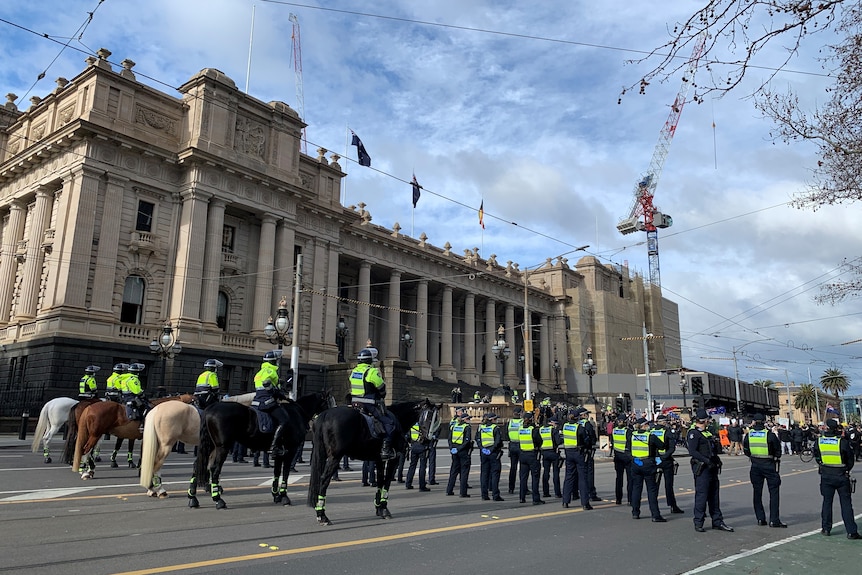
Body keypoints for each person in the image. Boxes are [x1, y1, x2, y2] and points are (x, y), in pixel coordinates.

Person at [687, 408, 734, 533]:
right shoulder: (693, 433)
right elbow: (693, 451)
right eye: (707, 420)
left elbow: (712, 449)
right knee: (702, 495)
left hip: (712, 467)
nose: (709, 422)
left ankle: (717, 521)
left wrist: (716, 460)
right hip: (702, 467)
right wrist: (706, 461)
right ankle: (699, 522)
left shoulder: (707, 433)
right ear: (704, 420)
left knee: (714, 495)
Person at [813, 418, 860, 539]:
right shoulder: (841, 442)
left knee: (827, 503)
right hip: (841, 474)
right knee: (846, 504)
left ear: (826, 428)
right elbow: (850, 459)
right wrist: (845, 469)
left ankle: (826, 528)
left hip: (826, 474)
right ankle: (851, 531)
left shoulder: (819, 441)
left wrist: (823, 465)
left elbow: (817, 457)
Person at [349, 347, 396, 460]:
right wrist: (382, 393)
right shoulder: (371, 372)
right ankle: (385, 450)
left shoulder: (354, 372)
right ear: (370, 361)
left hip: (355, 403)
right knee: (389, 423)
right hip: (368, 404)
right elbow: (381, 387)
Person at [742, 413, 786, 527]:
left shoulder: (749, 435)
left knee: (757, 493)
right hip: (769, 465)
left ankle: (760, 518)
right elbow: (778, 451)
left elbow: (746, 451)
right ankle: (774, 520)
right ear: (764, 422)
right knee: (774, 493)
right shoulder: (769, 435)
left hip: (755, 465)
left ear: (754, 422)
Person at [250, 350, 291, 457]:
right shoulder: (270, 371)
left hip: (256, 400)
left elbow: (271, 383)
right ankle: (274, 447)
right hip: (267, 401)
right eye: (276, 360)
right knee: (284, 421)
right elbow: (267, 383)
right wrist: (274, 392)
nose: (277, 362)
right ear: (273, 361)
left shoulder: (260, 372)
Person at [630, 417, 666, 522]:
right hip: (648, 464)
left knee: (636, 488)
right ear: (645, 425)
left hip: (636, 463)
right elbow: (662, 446)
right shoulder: (650, 436)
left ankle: (635, 512)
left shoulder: (632, 435)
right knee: (651, 490)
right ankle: (655, 515)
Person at [652, 414, 684, 515]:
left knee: (654, 486)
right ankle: (672, 506)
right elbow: (672, 448)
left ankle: (654, 507)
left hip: (655, 460)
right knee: (668, 485)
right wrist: (664, 457)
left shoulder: (651, 431)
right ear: (664, 422)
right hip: (665, 461)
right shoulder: (667, 431)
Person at [561, 408, 593, 509]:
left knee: (569, 477)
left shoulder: (565, 426)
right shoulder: (579, 428)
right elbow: (586, 440)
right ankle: (585, 503)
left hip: (568, 453)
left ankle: (565, 501)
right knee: (582, 478)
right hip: (578, 452)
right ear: (578, 417)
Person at [476, 412, 505, 501]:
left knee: (484, 474)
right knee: (495, 473)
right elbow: (498, 441)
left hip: (484, 452)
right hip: (493, 453)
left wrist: (482, 448)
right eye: (496, 419)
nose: (496, 421)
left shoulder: (481, 427)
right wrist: (491, 450)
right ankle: (495, 495)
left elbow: (478, 439)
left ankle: (484, 495)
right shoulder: (495, 428)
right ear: (492, 420)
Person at [518, 410, 544, 505]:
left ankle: (522, 497)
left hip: (523, 454)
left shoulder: (520, 429)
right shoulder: (533, 430)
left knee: (523, 477)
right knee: (535, 477)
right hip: (532, 455)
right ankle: (535, 498)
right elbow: (539, 441)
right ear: (531, 419)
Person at [446, 411, 473, 497]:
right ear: (465, 420)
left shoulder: (454, 426)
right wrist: (459, 449)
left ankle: (449, 490)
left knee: (453, 471)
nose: (469, 420)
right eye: (468, 419)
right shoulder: (467, 427)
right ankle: (463, 492)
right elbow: (467, 440)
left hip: (455, 450)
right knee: (464, 472)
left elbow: (449, 439)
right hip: (463, 451)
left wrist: (452, 448)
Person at [610, 414, 632, 506]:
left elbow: (613, 442)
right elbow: (631, 444)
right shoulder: (628, 431)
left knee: (619, 479)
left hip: (617, 456)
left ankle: (618, 499)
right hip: (627, 457)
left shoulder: (614, 430)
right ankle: (630, 499)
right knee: (630, 479)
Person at [539, 417, 562, 499]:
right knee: (556, 473)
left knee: (546, 472)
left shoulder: (541, 429)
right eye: (556, 424)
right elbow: (558, 441)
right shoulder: (553, 430)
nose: (556, 425)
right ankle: (557, 493)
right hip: (553, 452)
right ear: (552, 423)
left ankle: (545, 492)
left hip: (544, 453)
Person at [405, 421, 431, 491]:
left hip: (414, 446)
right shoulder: (423, 425)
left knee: (412, 465)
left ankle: (408, 483)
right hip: (422, 447)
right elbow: (428, 436)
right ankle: (422, 486)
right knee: (422, 467)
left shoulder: (412, 425)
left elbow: (408, 436)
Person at [507, 407, 524, 494]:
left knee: (513, 468)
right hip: (521, 445)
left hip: (512, 445)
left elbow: (506, 434)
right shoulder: (522, 422)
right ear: (520, 413)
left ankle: (511, 488)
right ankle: (523, 488)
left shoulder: (510, 422)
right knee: (522, 468)